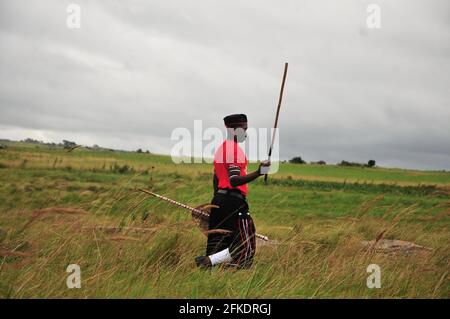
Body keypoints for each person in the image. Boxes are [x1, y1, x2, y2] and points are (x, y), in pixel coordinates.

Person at [195, 113, 271, 269]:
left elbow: (216, 178)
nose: (246, 134)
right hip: (234, 202)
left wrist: (216, 203)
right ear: (235, 130)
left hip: (220, 200)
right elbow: (234, 180)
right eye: (244, 129)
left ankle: (212, 269)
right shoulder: (234, 151)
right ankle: (207, 262)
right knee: (245, 244)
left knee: (218, 243)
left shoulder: (221, 149)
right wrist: (259, 172)